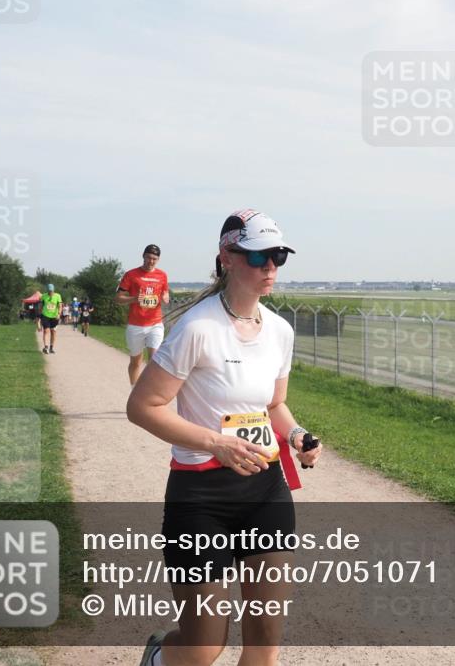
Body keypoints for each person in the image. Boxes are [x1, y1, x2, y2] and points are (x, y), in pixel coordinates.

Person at [127, 209, 322, 666]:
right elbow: (142, 407)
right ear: (227, 258)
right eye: (258, 256)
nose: (270, 266)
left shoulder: (280, 331)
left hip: (265, 490)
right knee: (204, 647)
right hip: (201, 498)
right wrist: (217, 443)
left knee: (265, 642)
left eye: (278, 256)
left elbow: (274, 405)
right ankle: (158, 656)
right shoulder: (198, 328)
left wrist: (297, 435)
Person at [116, 244, 171, 384]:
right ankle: (134, 389)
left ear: (158, 260)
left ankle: (147, 392)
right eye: (148, 257)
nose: (151, 261)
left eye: (154, 259)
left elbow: (165, 292)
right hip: (136, 325)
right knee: (136, 362)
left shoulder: (162, 275)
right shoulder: (131, 275)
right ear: (143, 256)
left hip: (155, 323)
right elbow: (118, 298)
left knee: (154, 360)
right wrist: (134, 299)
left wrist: (165, 297)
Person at [39, 283, 62, 354]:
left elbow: (60, 306)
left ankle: (51, 347)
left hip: (54, 317)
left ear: (53, 290)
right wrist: (39, 316)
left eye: (51, 291)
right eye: (49, 291)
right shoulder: (43, 296)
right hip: (45, 315)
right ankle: (46, 347)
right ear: (47, 290)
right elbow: (41, 306)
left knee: (53, 332)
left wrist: (59, 314)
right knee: (46, 331)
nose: (50, 292)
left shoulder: (58, 296)